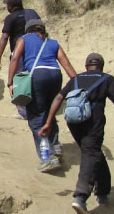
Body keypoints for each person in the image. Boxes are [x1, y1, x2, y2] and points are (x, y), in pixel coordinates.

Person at [39, 53, 114, 214]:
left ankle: (103, 191)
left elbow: (58, 98)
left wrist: (48, 122)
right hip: (93, 121)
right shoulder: (107, 79)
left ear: (86, 66)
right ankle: (80, 197)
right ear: (101, 66)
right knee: (90, 153)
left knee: (93, 151)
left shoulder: (76, 79)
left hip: (74, 122)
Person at [8, 18, 77, 172]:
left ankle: (48, 158)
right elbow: (66, 63)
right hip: (55, 76)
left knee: (36, 118)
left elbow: (15, 58)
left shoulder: (24, 39)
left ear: (28, 30)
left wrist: (10, 82)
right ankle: (56, 147)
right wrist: (79, 83)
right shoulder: (53, 42)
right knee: (49, 112)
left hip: (37, 76)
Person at [0, 0, 41, 118]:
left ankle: (24, 112)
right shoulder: (32, 13)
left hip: (19, 52)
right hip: (36, 50)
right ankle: (39, 108)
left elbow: (5, 37)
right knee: (34, 78)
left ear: (10, 6)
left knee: (19, 80)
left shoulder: (10, 18)